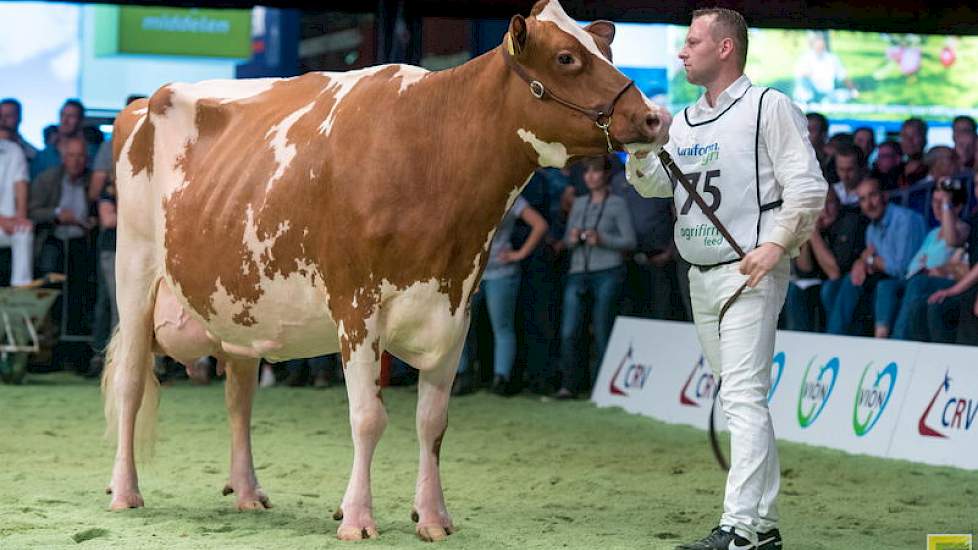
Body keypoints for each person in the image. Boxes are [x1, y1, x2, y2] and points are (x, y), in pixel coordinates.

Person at [625, 8, 827, 550]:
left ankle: (739, 528)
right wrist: (644, 143)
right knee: (743, 400)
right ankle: (761, 525)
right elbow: (654, 188)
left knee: (741, 398)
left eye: (692, 42)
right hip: (701, 275)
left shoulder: (768, 107)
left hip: (748, 273)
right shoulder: (685, 122)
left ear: (725, 49)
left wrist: (776, 244)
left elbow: (807, 187)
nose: (681, 51)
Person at [555, 155, 635, 400]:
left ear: (605, 175)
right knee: (570, 331)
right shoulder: (578, 203)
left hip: (608, 271)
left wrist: (602, 239)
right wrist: (574, 237)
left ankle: (601, 388)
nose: (590, 176)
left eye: (595, 171)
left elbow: (630, 241)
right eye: (586, 172)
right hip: (579, 271)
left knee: (602, 331)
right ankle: (569, 385)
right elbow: (568, 239)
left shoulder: (617, 204)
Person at [455, 193, 548, 396]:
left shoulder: (510, 195)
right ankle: (464, 374)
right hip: (472, 274)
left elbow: (540, 224)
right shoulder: (466, 194)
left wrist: (519, 253)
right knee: (461, 325)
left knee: (501, 327)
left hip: (500, 272)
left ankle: (501, 378)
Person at [824, 177, 927, 335]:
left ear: (884, 196)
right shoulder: (871, 229)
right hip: (885, 280)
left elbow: (901, 270)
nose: (869, 204)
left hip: (912, 280)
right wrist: (862, 262)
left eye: (873, 195)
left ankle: (833, 337)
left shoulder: (904, 220)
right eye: (863, 199)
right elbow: (876, 262)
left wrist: (869, 260)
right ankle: (839, 340)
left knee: (854, 284)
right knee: (836, 285)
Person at [878, 178, 970, 339]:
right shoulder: (933, 233)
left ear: (957, 207)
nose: (936, 207)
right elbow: (915, 264)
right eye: (934, 201)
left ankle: (899, 339)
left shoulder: (962, 228)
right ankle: (880, 337)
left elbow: (951, 241)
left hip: (941, 281)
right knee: (886, 286)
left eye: (940, 203)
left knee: (918, 283)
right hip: (917, 278)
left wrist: (947, 201)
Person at [0, 136, 35, 286]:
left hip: (8, 223)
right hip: (3, 221)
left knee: (23, 230)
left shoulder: (13, 150)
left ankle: (21, 288)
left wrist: (20, 217)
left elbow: (20, 183)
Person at [0, 98, 39, 169]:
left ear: (19, 118)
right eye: (0, 116)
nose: (3, 120)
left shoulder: (31, 154)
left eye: (8, 116)